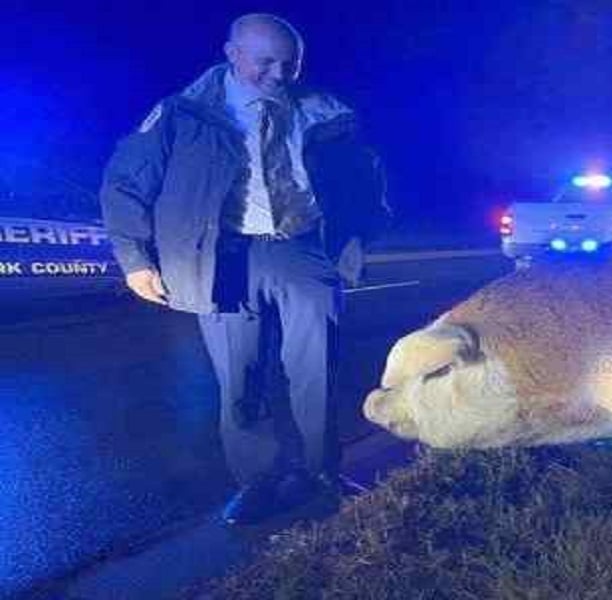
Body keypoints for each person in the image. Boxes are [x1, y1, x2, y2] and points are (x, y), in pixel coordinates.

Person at [101, 13, 388, 525]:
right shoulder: (183, 114)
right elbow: (124, 184)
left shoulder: (325, 112)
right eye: (266, 62)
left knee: (315, 371)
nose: (279, 74)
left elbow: (365, 183)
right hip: (222, 256)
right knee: (239, 379)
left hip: (301, 249)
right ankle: (258, 481)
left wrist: (358, 241)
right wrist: (135, 260)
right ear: (233, 54)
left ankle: (321, 475)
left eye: (290, 63)